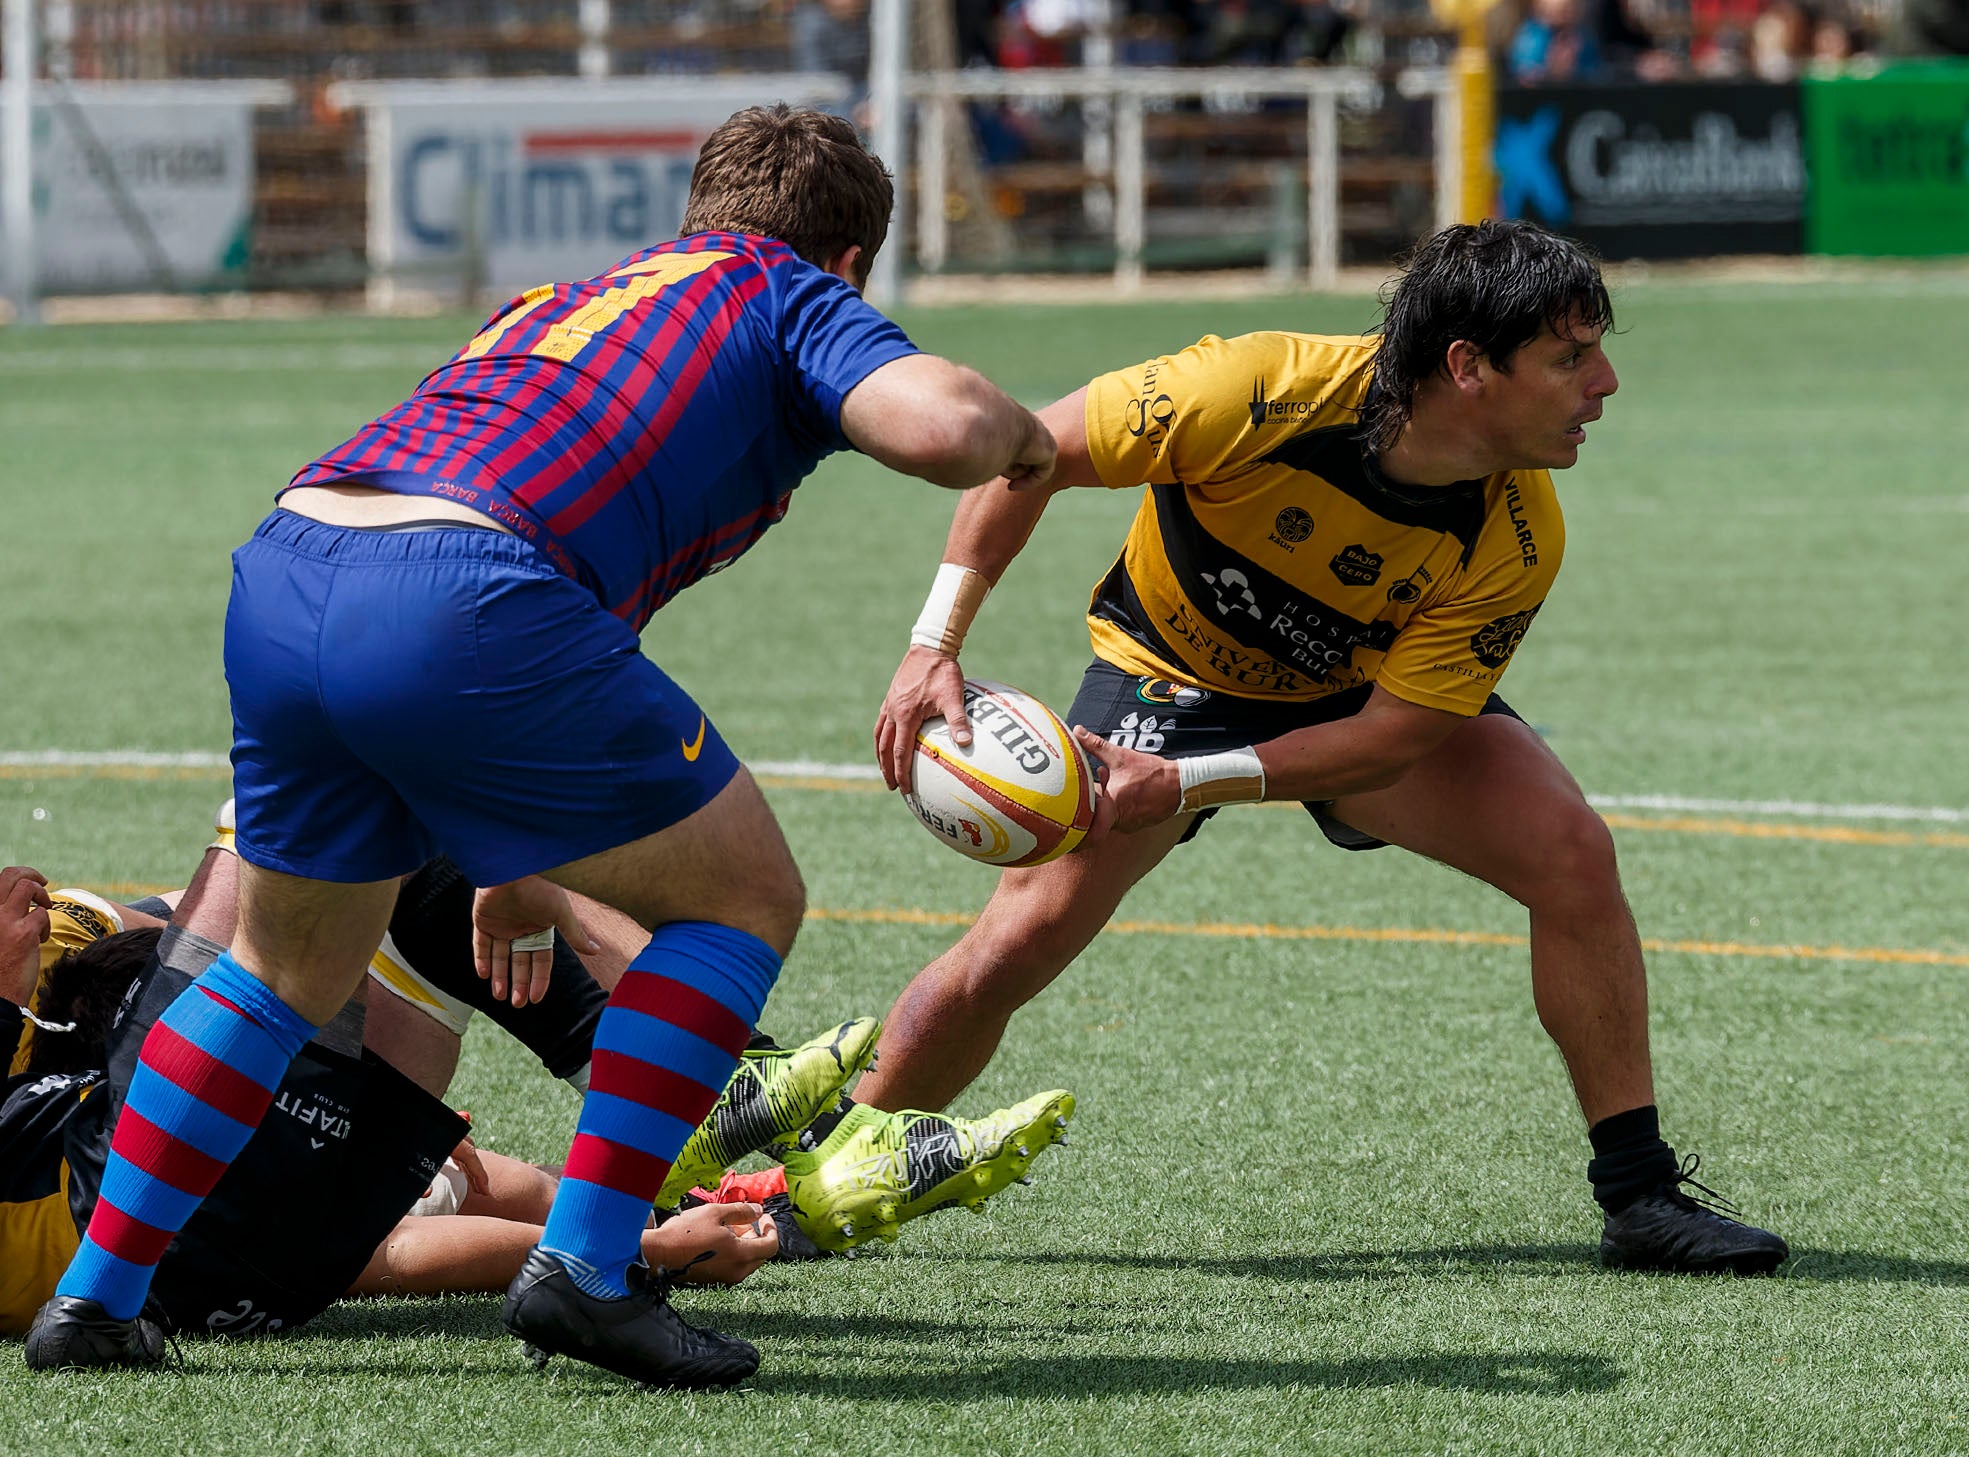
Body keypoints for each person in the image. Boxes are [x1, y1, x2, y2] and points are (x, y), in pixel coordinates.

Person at [26, 103, 1059, 1386]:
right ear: (846, 263)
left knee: (274, 973)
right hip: (461, 588)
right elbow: (945, 427)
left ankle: (97, 1299)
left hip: (295, 567)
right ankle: (584, 1266)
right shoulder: (784, 287)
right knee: (744, 899)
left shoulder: (575, 300)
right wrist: (1033, 439)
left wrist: (515, 866)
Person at [865, 219, 1790, 1278]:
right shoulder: (1251, 389)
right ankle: (817, 1162)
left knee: (1572, 856)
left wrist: (1188, 783)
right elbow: (1028, 450)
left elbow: (1394, 738)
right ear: (1467, 368)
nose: (1605, 382)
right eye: (1570, 357)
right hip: (1168, 674)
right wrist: (933, 642)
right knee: (1009, 951)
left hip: (1353, 701)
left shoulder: (1516, 534)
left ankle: (1637, 1193)